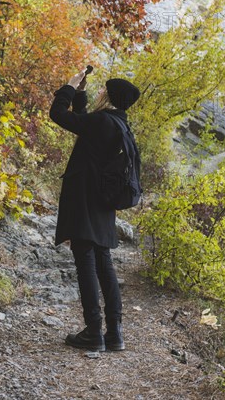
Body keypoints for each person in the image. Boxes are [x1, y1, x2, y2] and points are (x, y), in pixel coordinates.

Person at [49, 68, 140, 352]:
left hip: (85, 198)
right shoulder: (119, 124)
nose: (100, 92)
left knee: (85, 260)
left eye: (103, 90)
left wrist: (69, 84)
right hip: (103, 202)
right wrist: (81, 95)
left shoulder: (102, 121)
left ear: (110, 97)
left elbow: (58, 115)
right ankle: (114, 333)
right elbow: (84, 123)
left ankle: (93, 331)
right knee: (103, 262)